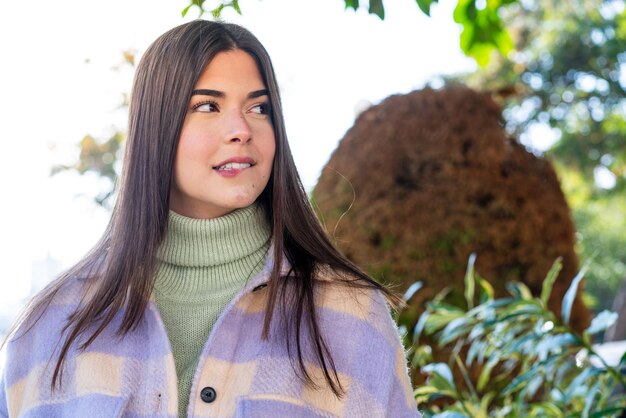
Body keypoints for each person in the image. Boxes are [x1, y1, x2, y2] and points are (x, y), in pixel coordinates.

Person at [0, 20, 421, 417]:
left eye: (259, 109)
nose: (241, 129)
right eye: (207, 105)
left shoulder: (351, 317)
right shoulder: (50, 326)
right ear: (156, 126)